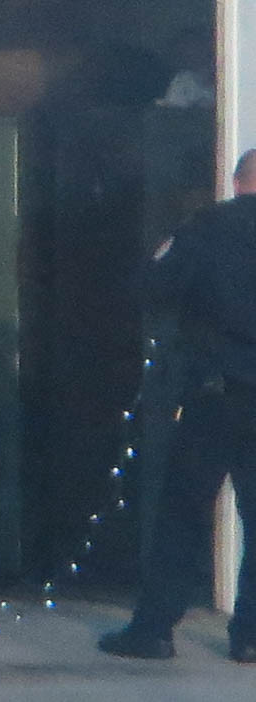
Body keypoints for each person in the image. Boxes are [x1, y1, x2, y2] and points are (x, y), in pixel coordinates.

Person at [99, 149, 256, 662]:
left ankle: (155, 631)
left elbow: (150, 288)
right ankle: (251, 637)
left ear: (237, 180)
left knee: (183, 514)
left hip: (214, 395)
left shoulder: (206, 227)